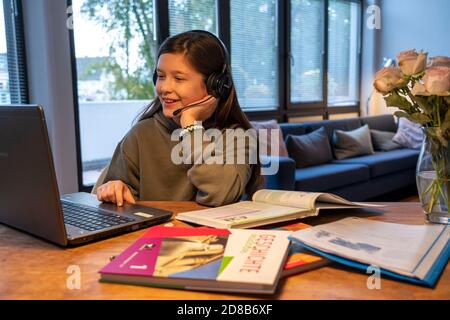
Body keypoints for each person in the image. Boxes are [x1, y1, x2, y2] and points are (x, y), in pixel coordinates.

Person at [96, 30, 262, 207]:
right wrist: (114, 189)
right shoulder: (141, 134)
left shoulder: (237, 137)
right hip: (154, 234)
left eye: (178, 78)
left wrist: (191, 125)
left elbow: (221, 194)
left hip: (215, 234)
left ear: (216, 86)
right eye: (160, 76)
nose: (164, 88)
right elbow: (116, 197)